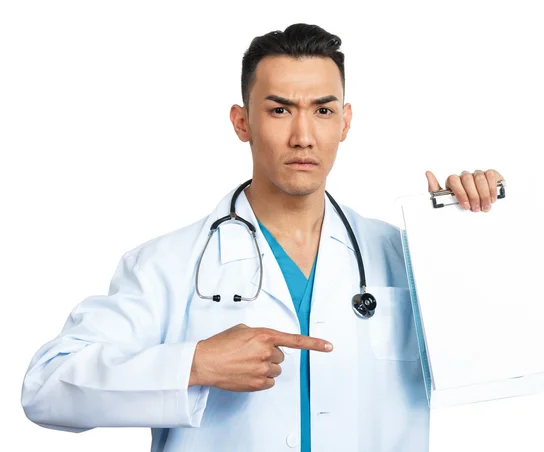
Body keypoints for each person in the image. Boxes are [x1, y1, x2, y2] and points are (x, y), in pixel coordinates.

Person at [21, 23, 504, 452]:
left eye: (322, 110)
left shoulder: (407, 254)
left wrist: (469, 234)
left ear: (346, 121)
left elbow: (498, 356)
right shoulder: (167, 264)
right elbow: (46, 389)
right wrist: (194, 364)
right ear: (241, 122)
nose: (303, 135)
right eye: (279, 110)